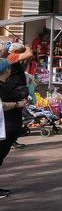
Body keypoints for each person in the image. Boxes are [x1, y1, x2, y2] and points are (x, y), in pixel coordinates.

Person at [0, 59, 30, 197]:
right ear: (6, 70)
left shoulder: (5, 85)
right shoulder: (2, 87)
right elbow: (2, 105)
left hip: (8, 126)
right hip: (5, 126)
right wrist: (18, 104)